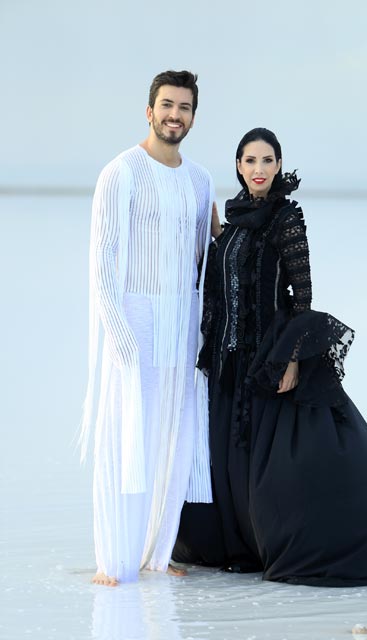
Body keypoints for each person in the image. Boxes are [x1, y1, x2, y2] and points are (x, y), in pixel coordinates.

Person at [173, 127, 367, 586]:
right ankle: (244, 541)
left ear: (278, 165)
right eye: (250, 160)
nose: (259, 169)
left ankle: (307, 536)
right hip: (230, 362)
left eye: (267, 160)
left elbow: (303, 296)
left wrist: (291, 357)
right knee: (233, 460)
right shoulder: (233, 222)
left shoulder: (286, 217)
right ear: (238, 166)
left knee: (286, 470)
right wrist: (217, 237)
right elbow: (227, 278)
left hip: (269, 358)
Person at [79, 70, 216, 586]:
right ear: (149, 110)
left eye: (184, 107)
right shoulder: (121, 172)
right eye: (167, 105)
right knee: (128, 437)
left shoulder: (200, 181)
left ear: (193, 117)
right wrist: (120, 339)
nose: (174, 115)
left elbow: (204, 261)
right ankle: (113, 560)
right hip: (135, 320)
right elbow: (102, 262)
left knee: (175, 439)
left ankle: (158, 553)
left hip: (184, 323)